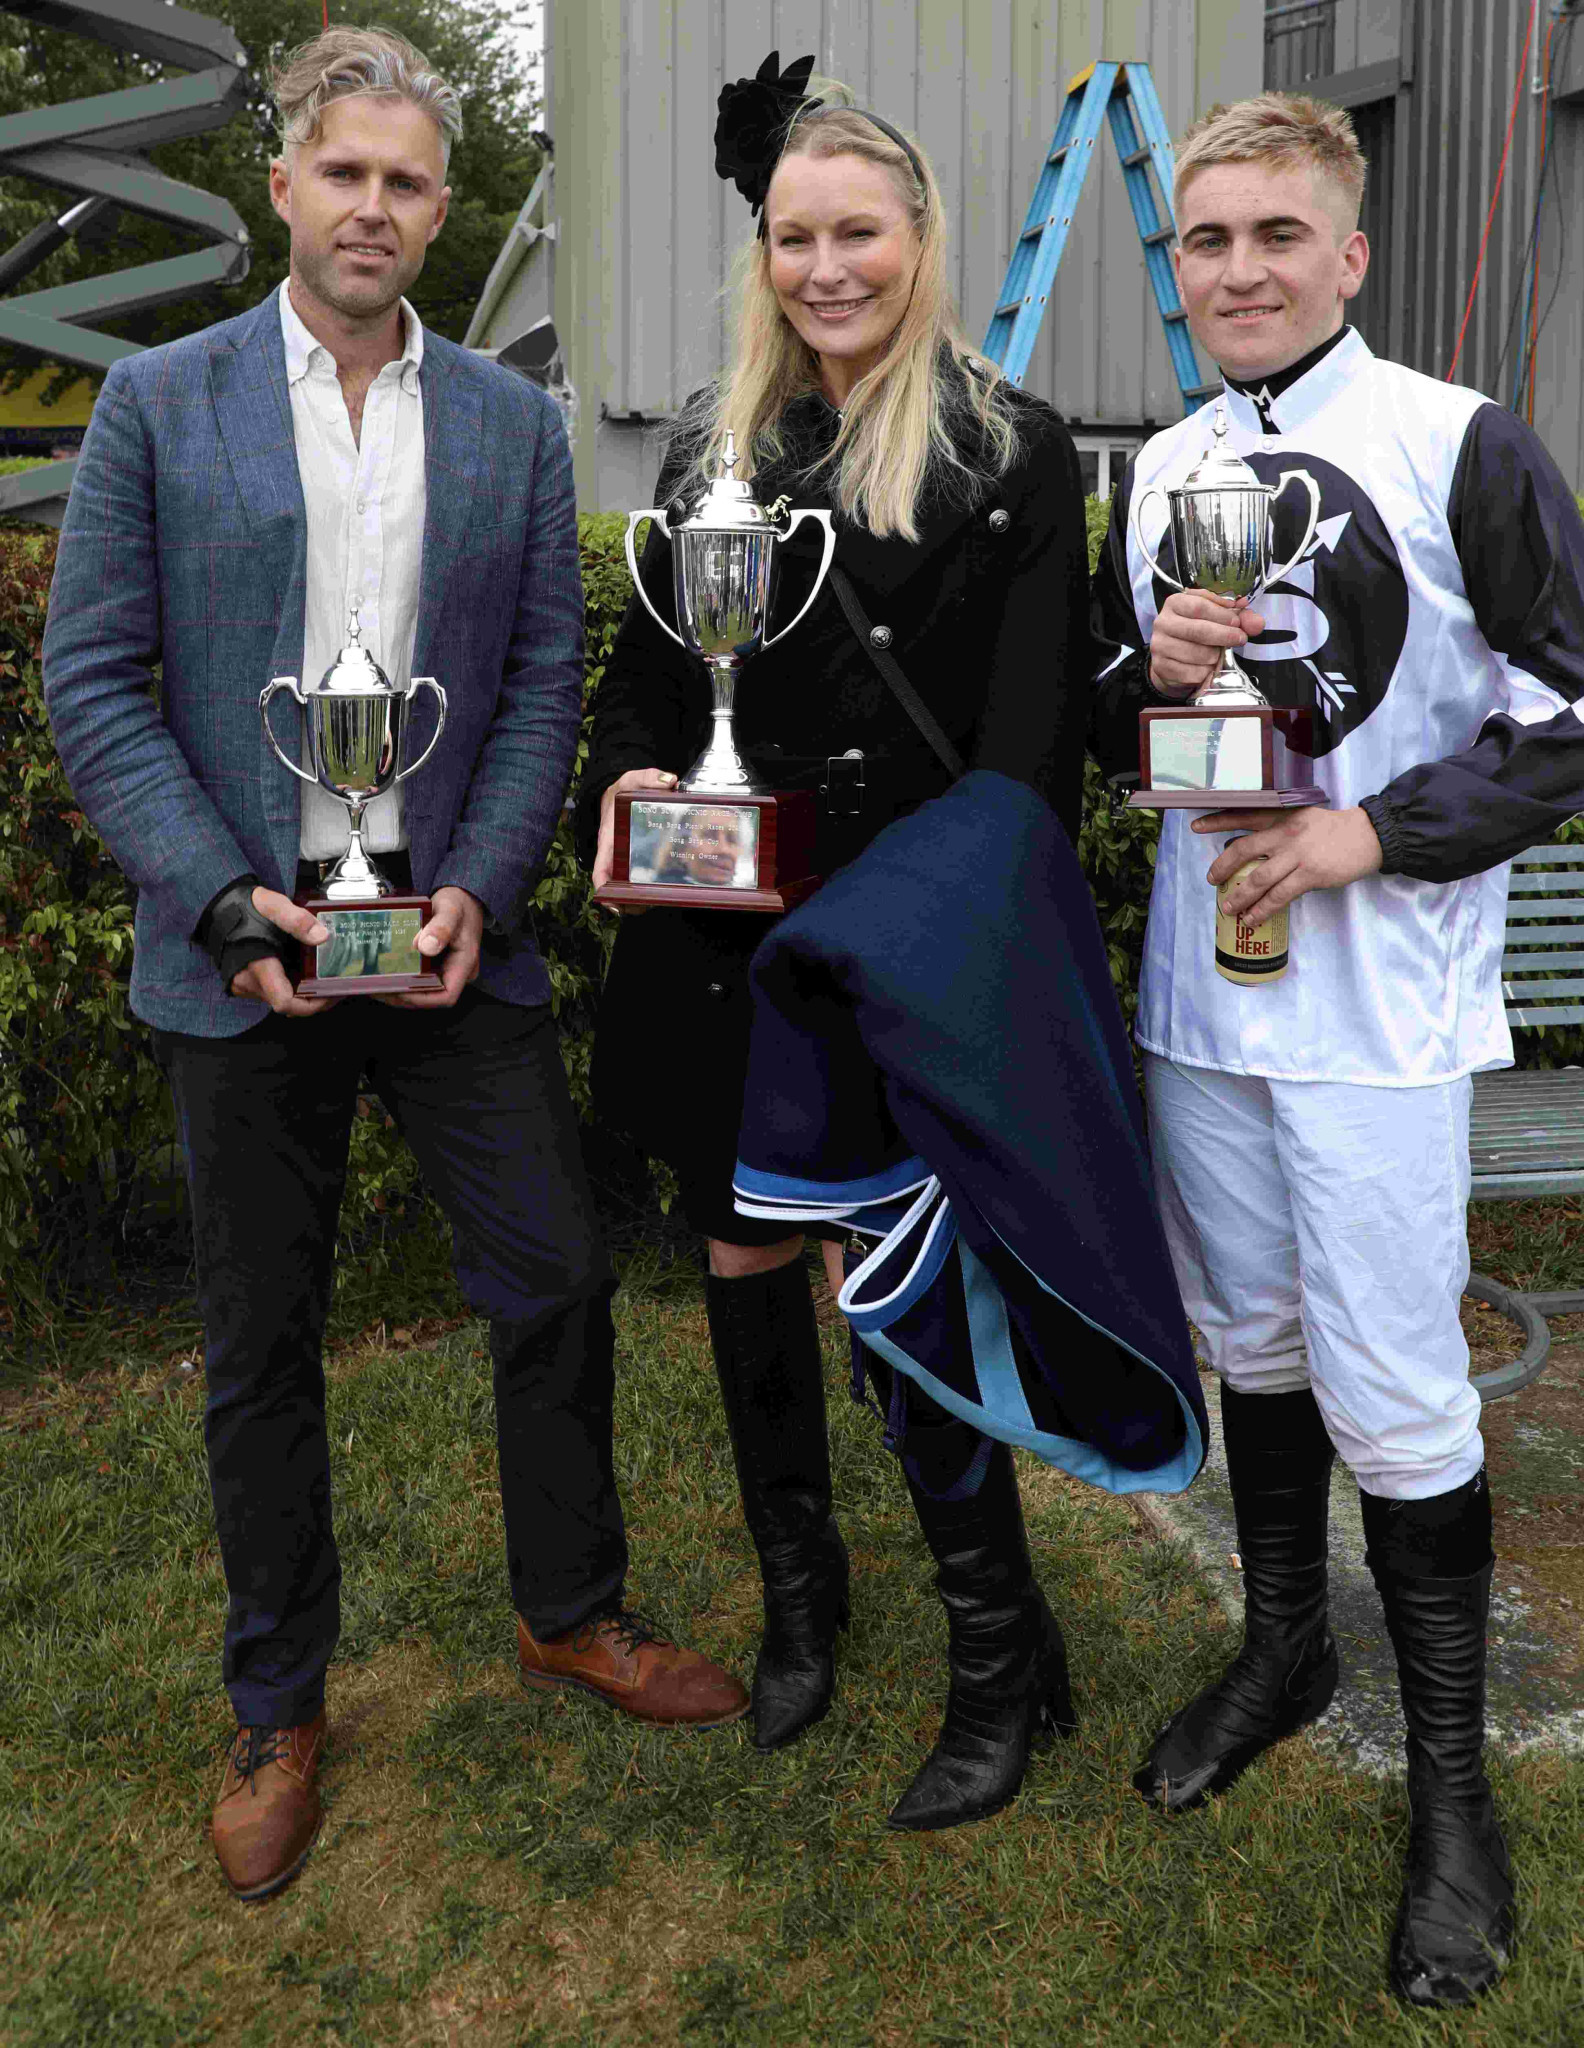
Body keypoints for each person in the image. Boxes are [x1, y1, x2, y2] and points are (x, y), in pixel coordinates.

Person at [42, 27, 747, 1908]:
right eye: (343, 172)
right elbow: (94, 688)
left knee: (555, 1277)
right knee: (258, 1344)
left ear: (445, 208)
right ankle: (279, 1702)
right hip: (244, 963)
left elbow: (533, 686)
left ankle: (569, 1611)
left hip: (448, 957)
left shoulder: (514, 423)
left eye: (409, 182)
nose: (374, 207)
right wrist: (216, 900)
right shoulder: (159, 406)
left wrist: (489, 891)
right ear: (284, 184)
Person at [1090, 91, 1584, 2008]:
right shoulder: (1161, 469)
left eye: (1275, 235)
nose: (1237, 271)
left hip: (1380, 1015)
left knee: (1398, 1387)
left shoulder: (1458, 441)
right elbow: (1157, 735)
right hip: (1204, 995)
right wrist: (1164, 684)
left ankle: (1454, 1793)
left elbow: (1573, 702)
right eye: (1206, 241)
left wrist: (1366, 834)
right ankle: (1286, 1641)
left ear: (1349, 251)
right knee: (1257, 1348)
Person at [576, 55, 1099, 1831]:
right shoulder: (718, 442)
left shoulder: (1013, 447)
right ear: (764, 252)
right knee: (738, 1259)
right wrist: (640, 777)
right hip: (721, 926)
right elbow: (651, 665)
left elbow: (1034, 753)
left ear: (920, 238)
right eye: (795, 237)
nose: (826, 269)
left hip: (894, 934)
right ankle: (806, 1598)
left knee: (906, 1284)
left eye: (857, 233)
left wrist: (917, 930)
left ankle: (993, 1650)